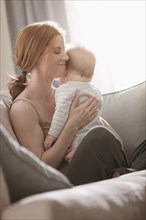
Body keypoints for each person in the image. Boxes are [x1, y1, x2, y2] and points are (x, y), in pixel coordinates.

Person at [8, 21, 129, 186]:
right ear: (36, 55)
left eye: (64, 50)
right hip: (66, 182)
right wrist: (72, 125)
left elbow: (115, 141)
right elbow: (41, 166)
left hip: (94, 167)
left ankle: (124, 175)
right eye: (58, 51)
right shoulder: (23, 108)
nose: (65, 57)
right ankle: (125, 175)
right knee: (97, 137)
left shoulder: (67, 93)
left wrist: (82, 148)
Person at [44, 46, 123, 156]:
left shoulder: (66, 89)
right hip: (99, 135)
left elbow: (61, 113)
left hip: (81, 140)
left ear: (65, 73)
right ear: (90, 77)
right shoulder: (94, 91)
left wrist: (52, 134)